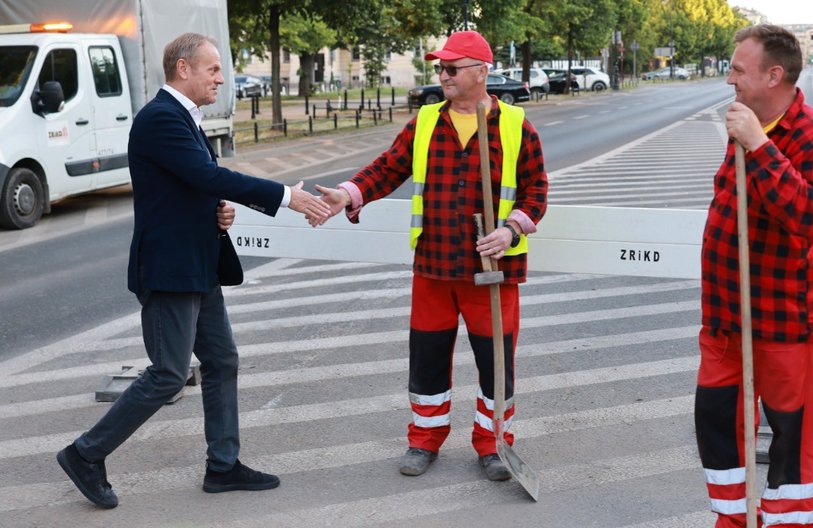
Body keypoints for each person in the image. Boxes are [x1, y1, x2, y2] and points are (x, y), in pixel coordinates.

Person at [56, 32, 331, 508]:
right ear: (183, 69)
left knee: (222, 362)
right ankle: (86, 453)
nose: (221, 79)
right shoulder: (160, 118)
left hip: (198, 265)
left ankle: (223, 465)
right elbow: (206, 175)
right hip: (170, 269)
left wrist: (217, 211)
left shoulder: (184, 119)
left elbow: (193, 187)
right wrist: (285, 196)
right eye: (213, 69)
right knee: (167, 373)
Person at [315, 30, 548, 482]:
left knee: (495, 364)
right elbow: (387, 168)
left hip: (492, 271)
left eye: (452, 68)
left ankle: (493, 444)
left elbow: (537, 190)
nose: (442, 75)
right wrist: (348, 193)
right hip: (434, 268)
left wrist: (511, 228)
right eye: (440, 68)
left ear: (482, 72)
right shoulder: (425, 121)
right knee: (426, 359)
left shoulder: (517, 125)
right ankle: (424, 439)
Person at [694, 25, 813, 528]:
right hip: (727, 323)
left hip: (786, 325)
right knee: (718, 423)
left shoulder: (812, 137)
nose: (729, 79)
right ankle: (731, 520)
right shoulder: (750, 124)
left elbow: (807, 217)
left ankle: (787, 521)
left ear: (773, 75)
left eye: (738, 69)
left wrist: (760, 147)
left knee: (790, 437)